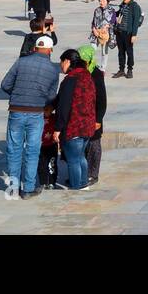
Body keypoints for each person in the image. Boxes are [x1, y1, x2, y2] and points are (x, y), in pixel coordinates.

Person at [0, 35, 60, 199]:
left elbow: (5, 85)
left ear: (35, 48)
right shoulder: (53, 70)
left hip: (16, 110)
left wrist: (19, 94)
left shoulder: (21, 62)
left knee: (13, 150)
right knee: (32, 151)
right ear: (49, 50)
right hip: (36, 113)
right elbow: (51, 96)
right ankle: (28, 189)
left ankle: (12, 190)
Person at [52, 48, 97, 191]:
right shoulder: (87, 77)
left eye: (61, 62)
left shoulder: (70, 80)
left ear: (67, 61)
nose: (60, 66)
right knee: (80, 157)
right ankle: (83, 184)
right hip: (87, 126)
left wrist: (58, 128)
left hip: (74, 126)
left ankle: (76, 187)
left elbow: (63, 107)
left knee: (73, 160)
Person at [77, 45, 107, 187]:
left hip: (94, 115)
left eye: (83, 60)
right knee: (83, 144)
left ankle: (93, 173)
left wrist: (98, 119)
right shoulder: (78, 73)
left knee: (94, 144)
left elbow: (102, 99)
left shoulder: (96, 74)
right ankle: (82, 173)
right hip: (81, 115)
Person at [112, 0, 143, 79]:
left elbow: (136, 22)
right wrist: (111, 12)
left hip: (128, 33)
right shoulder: (122, 5)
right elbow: (117, 14)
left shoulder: (134, 6)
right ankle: (121, 70)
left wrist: (134, 35)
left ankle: (130, 70)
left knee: (129, 52)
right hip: (120, 32)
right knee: (120, 52)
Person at [89, 0, 117, 71]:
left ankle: (103, 68)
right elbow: (93, 21)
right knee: (91, 50)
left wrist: (107, 26)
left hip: (105, 34)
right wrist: (94, 29)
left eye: (103, 1)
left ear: (107, 1)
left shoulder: (112, 10)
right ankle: (91, 66)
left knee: (104, 52)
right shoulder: (97, 10)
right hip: (95, 33)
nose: (101, 3)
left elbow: (113, 22)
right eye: (100, 1)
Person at [37, 102, 59, 191]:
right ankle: (43, 182)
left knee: (52, 164)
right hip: (41, 146)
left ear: (52, 110)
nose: (45, 112)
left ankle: (52, 182)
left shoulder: (54, 118)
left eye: (47, 110)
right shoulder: (38, 118)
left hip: (52, 145)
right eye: (43, 109)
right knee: (41, 165)